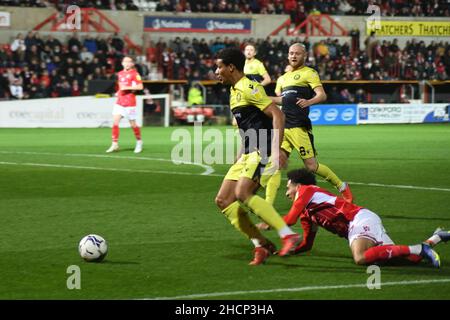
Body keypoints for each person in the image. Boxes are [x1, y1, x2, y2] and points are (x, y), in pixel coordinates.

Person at [214, 47, 300, 266]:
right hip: (248, 152)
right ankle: (261, 244)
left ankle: (287, 234)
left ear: (230, 67)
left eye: (219, 67)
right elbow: (247, 126)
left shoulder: (249, 87)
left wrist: (276, 150)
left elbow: (277, 115)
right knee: (223, 200)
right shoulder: (233, 91)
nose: (216, 71)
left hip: (261, 148)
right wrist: (239, 155)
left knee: (242, 192)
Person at [258, 168, 445, 268]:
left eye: (288, 188)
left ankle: (420, 248)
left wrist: (270, 222)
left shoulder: (308, 190)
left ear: (298, 186)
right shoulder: (307, 214)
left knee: (360, 257)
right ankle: (436, 238)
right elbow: (307, 244)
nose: (286, 193)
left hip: (359, 219)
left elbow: (289, 220)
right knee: (406, 260)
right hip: (359, 226)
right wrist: (290, 252)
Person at [270, 43, 353, 203]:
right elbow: (283, 100)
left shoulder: (309, 73)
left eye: (297, 54)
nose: (293, 56)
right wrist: (262, 98)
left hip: (299, 127)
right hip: (284, 127)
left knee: (312, 166)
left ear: (304, 55)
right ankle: (267, 204)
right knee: (275, 163)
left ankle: (342, 186)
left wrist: (309, 101)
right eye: (291, 53)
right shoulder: (283, 78)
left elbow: (322, 95)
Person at [106, 56, 144, 153]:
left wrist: (127, 87)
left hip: (130, 102)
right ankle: (115, 144)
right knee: (115, 122)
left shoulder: (135, 74)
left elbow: (140, 86)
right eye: (125, 62)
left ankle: (139, 142)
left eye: (129, 62)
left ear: (132, 64)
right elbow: (120, 86)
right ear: (122, 63)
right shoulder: (120, 74)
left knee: (133, 124)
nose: (126, 63)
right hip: (119, 102)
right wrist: (118, 92)